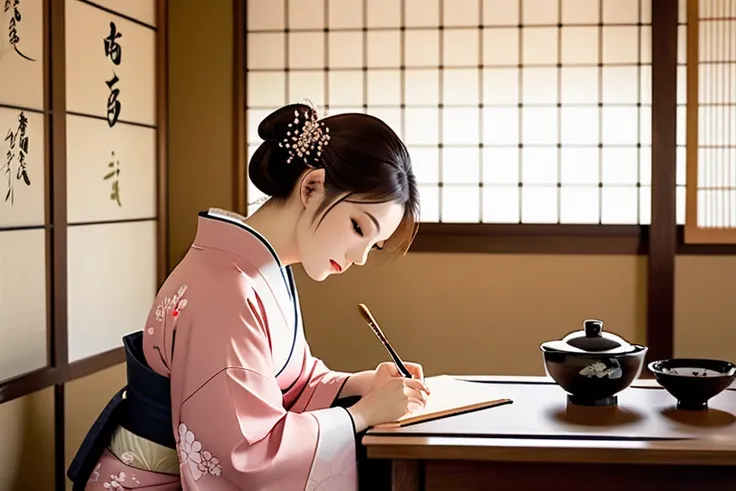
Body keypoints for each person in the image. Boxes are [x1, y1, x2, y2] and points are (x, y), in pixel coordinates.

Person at [67, 102, 429, 491]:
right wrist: (358, 417)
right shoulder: (228, 290)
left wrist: (358, 384)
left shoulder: (261, 271)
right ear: (311, 187)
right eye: (359, 227)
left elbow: (289, 382)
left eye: (373, 246)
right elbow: (244, 452)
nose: (358, 258)